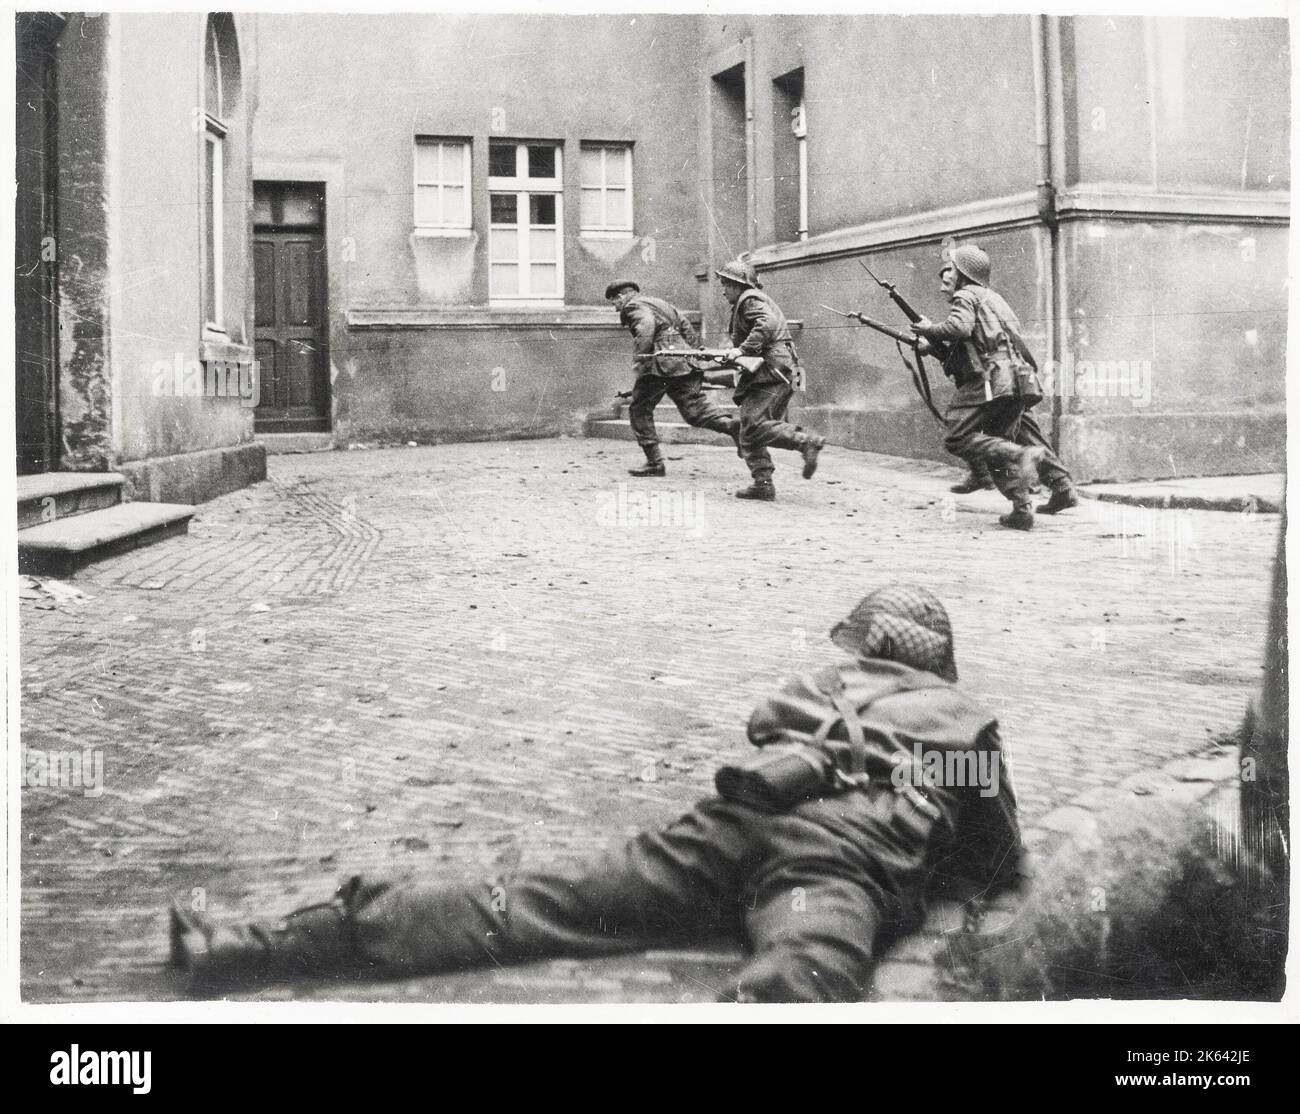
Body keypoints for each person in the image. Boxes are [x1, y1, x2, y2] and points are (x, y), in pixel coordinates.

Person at [168, 584, 1021, 1004]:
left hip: (727, 829)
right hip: (832, 871)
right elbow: (995, 857)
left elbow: (764, 729)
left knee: (525, 901)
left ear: (866, 641)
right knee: (807, 969)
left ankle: (251, 943)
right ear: (935, 659)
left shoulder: (824, 684)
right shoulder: (963, 716)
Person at [912, 246, 1076, 529]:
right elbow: (980, 343)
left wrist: (929, 330)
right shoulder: (994, 298)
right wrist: (935, 348)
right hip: (1018, 378)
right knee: (1000, 442)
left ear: (962, 273)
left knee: (959, 437)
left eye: (950, 270)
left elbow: (960, 330)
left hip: (993, 381)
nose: (945, 279)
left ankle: (1023, 463)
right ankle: (1026, 507)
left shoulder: (965, 296)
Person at [712, 259, 825, 502]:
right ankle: (762, 484)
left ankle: (806, 441)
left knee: (753, 426)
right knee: (750, 429)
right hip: (781, 371)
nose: (723, 290)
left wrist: (741, 349)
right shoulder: (750, 300)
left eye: (726, 284)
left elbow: (768, 324)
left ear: (737, 284)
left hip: (774, 372)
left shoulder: (749, 299)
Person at [606, 280, 739, 477]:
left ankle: (655, 463)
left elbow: (646, 327)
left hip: (659, 364)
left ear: (621, 296)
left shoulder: (632, 306)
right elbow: (685, 326)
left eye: (614, 303)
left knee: (639, 409)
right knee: (694, 410)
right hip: (683, 360)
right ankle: (732, 426)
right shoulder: (660, 303)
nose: (615, 308)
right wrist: (692, 354)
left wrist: (641, 358)